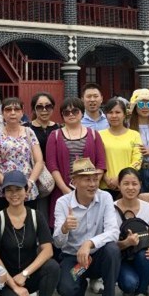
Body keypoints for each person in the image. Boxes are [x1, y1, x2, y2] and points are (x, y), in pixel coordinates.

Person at [0, 171, 61, 296]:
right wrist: (14, 285)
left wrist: (25, 274)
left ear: (26, 191)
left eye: (18, 189)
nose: (14, 194)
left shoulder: (36, 216)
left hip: (28, 275)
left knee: (52, 266)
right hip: (6, 278)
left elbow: (48, 250)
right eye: (9, 190)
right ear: (4, 193)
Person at [54, 158, 120, 296]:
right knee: (66, 290)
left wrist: (90, 243)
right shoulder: (62, 203)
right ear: (74, 181)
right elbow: (58, 243)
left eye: (95, 179)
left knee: (112, 250)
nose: (92, 184)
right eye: (87, 180)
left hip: (97, 256)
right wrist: (64, 228)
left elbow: (113, 231)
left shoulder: (105, 197)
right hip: (74, 258)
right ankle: (80, 284)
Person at [46, 97, 106, 227]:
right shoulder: (54, 135)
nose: (71, 114)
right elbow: (52, 165)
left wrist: (92, 184)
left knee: (91, 225)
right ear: (62, 115)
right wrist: (64, 189)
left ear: (82, 113)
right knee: (65, 224)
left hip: (90, 190)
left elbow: (101, 163)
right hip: (62, 189)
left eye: (75, 111)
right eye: (66, 112)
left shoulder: (94, 134)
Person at [114, 168, 149, 296]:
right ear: (119, 185)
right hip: (122, 258)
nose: (130, 188)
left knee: (145, 253)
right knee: (129, 284)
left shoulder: (148, 208)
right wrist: (126, 243)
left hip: (142, 256)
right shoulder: (111, 208)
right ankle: (131, 288)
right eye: (126, 184)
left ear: (140, 185)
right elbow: (108, 245)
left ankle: (142, 294)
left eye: (134, 184)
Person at [0, 97, 44, 211]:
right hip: (4, 190)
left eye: (16, 109)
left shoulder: (29, 132)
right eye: (8, 109)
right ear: (2, 113)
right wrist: (9, 186)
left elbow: (39, 161)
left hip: (28, 189)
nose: (12, 112)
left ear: (22, 112)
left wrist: (29, 183)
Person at [99, 98, 142, 198]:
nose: (114, 116)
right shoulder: (99, 135)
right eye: (110, 112)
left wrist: (120, 178)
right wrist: (105, 178)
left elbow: (137, 160)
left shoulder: (134, 135)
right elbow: (97, 161)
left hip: (128, 186)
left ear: (124, 115)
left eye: (118, 112)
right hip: (105, 186)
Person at [25, 92, 61, 161]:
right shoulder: (25, 128)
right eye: (39, 107)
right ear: (34, 110)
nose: (44, 110)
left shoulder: (59, 129)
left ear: (53, 108)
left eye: (48, 106)